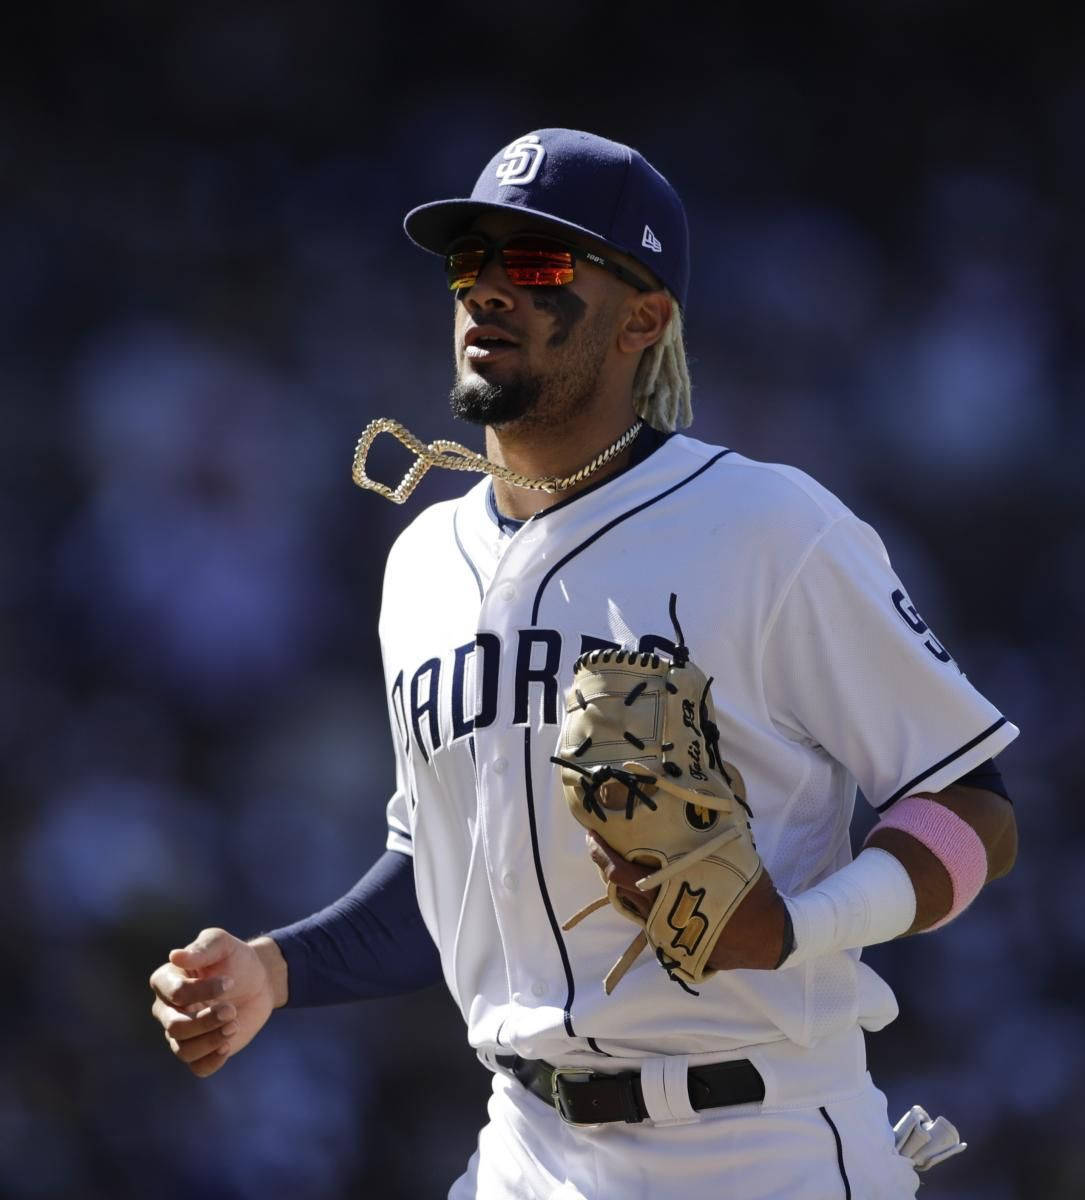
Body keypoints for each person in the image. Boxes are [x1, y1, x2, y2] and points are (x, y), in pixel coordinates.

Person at [149, 128, 1019, 1198]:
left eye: (542, 264)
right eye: (472, 263)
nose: (490, 291)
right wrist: (273, 972)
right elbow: (444, 873)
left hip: (759, 1142)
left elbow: (970, 804)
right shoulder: (423, 563)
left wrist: (792, 926)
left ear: (644, 321)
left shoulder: (767, 527)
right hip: (523, 1148)